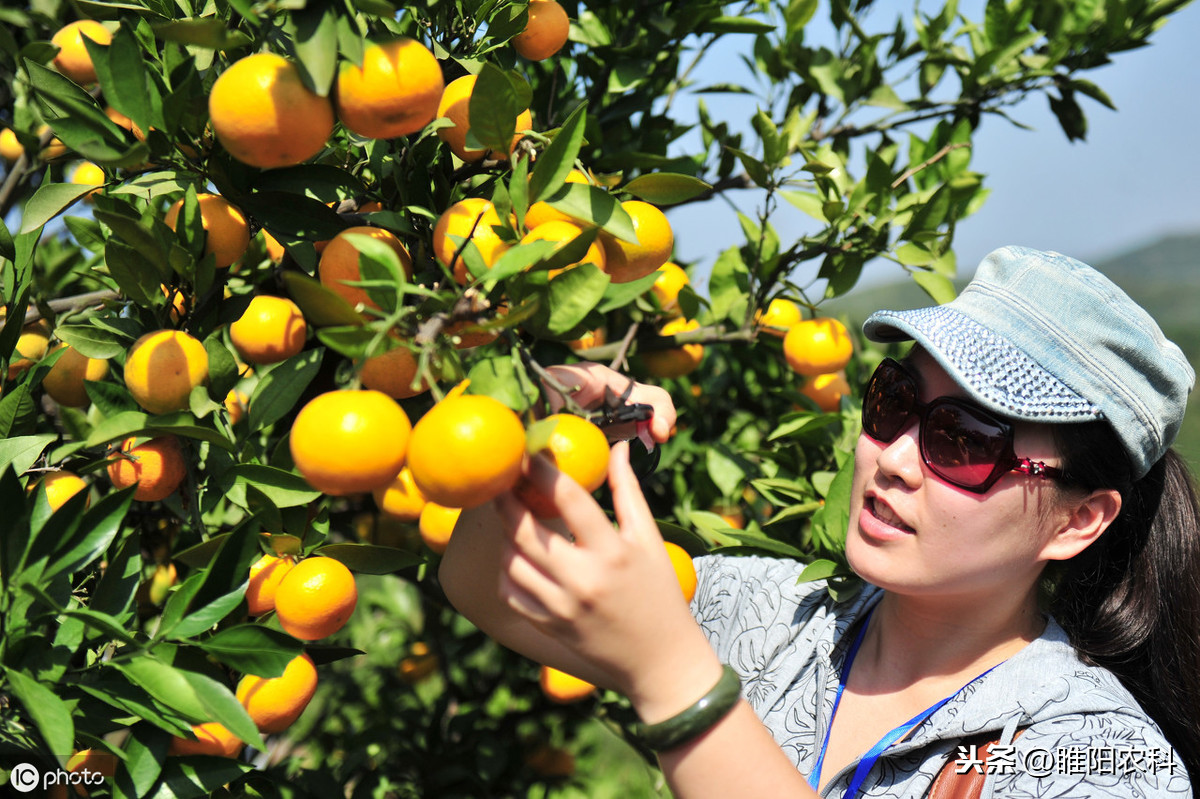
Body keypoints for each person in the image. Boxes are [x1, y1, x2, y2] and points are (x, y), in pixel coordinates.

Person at [440, 245, 1199, 797]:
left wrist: (677, 684)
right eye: (895, 402)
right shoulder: (776, 616)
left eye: (963, 440)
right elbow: (482, 583)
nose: (893, 457)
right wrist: (531, 436)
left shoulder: (1101, 759)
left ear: (1079, 520)